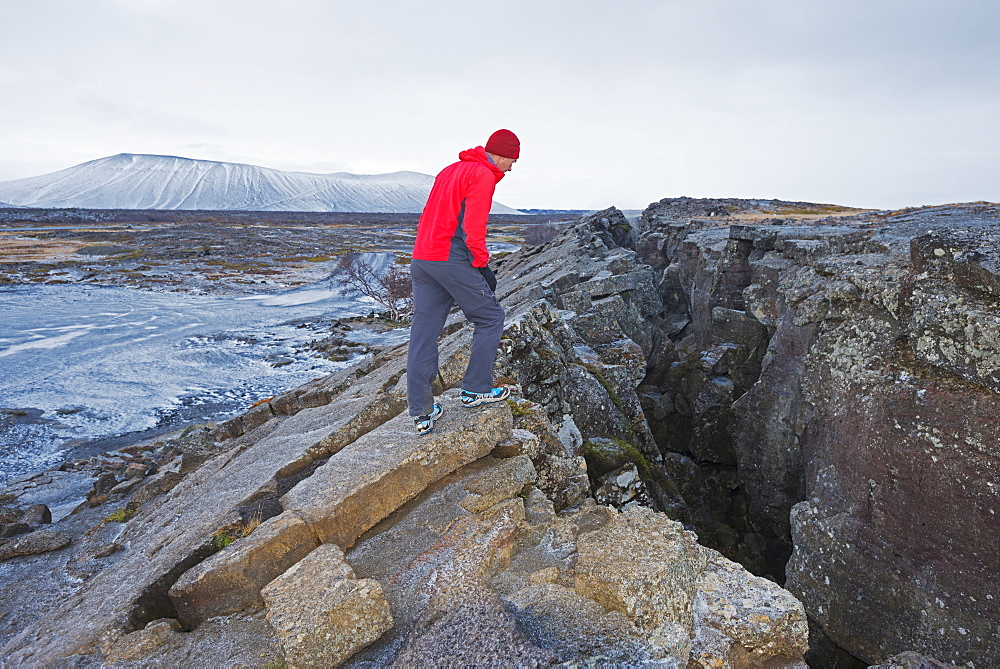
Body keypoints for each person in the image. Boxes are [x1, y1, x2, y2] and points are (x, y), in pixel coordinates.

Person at [406, 129, 520, 435]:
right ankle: (476, 389)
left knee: (423, 335)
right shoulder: (482, 174)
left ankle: (421, 411)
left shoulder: (450, 170)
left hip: (422, 260)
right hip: (450, 260)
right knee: (491, 317)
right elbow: (473, 228)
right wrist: (483, 267)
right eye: (512, 160)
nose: (511, 168)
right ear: (502, 154)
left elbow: (430, 215)